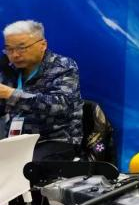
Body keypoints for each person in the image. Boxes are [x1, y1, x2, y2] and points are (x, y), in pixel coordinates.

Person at [0, 20, 83, 158]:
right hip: (15, 142)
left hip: (55, 140)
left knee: (25, 167)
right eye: (9, 49)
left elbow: (59, 106)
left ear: (42, 45)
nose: (15, 55)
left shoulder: (63, 66)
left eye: (22, 48)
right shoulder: (8, 69)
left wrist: (11, 94)